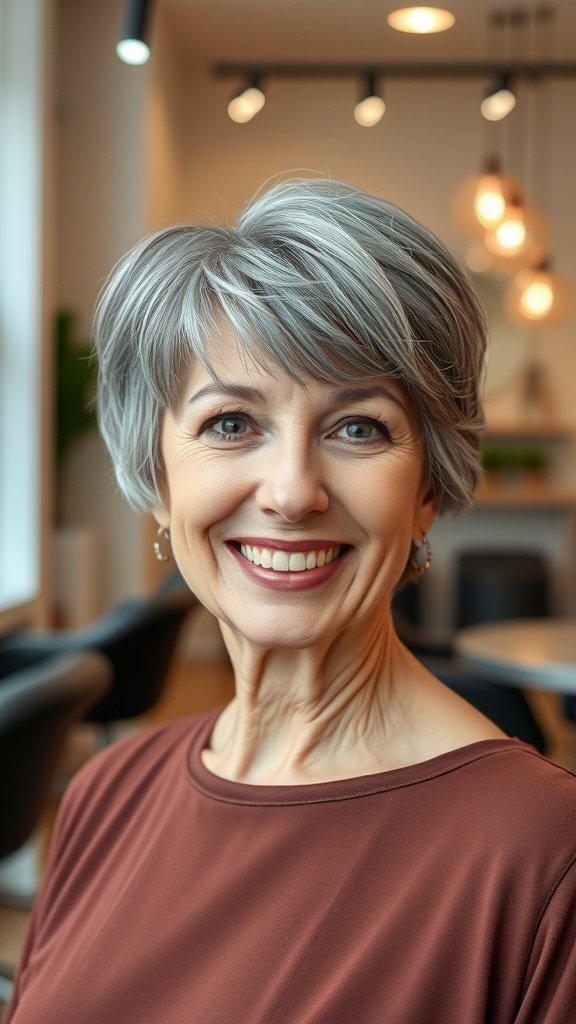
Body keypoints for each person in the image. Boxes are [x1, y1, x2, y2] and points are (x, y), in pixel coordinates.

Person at [6, 178, 576, 1024]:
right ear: (160, 480)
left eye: (358, 427)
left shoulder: (542, 854)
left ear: (427, 490)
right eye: (232, 423)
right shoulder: (105, 795)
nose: (292, 491)